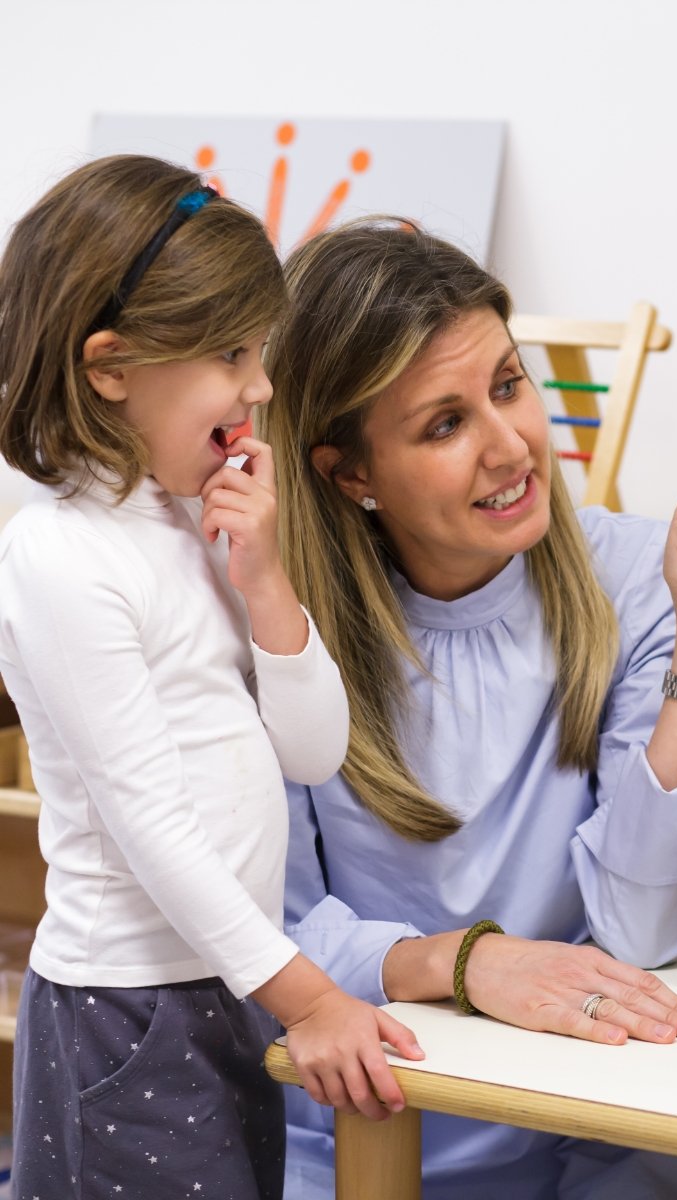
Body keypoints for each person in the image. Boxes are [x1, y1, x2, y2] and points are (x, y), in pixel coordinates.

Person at [263, 219, 677, 1199]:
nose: (510, 445)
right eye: (443, 424)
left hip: (580, 1125)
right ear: (349, 474)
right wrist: (469, 965)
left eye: (508, 386)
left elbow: (638, 933)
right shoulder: (278, 628)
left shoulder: (638, 575)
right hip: (359, 1127)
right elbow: (271, 935)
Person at [0, 161, 423, 1200]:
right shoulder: (59, 554)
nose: (261, 386)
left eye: (259, 350)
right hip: (130, 1010)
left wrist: (269, 583)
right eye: (231, 353)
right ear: (109, 368)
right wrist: (312, 997)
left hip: (226, 981)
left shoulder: (197, 522)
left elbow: (314, 752)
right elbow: (147, 827)